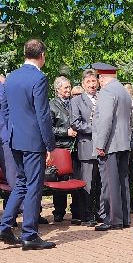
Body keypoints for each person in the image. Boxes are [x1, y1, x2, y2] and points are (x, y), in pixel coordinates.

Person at [0, 39, 56, 250]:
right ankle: (29, 234)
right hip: (32, 140)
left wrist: (12, 130)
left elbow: (4, 109)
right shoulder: (39, 78)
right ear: (42, 55)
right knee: (33, 185)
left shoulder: (11, 77)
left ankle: (4, 227)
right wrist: (50, 145)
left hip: (14, 138)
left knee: (22, 182)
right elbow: (43, 114)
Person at [90, 63, 133, 229]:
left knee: (109, 182)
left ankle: (112, 219)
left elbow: (105, 120)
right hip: (123, 142)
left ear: (102, 77)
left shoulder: (107, 91)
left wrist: (100, 144)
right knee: (122, 180)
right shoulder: (123, 91)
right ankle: (124, 217)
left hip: (110, 144)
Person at [67, 69, 100, 224]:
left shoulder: (103, 97)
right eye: (88, 82)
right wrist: (96, 129)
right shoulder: (76, 101)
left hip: (104, 148)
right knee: (88, 182)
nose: (92, 85)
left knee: (101, 183)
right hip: (87, 146)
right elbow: (75, 122)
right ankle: (86, 214)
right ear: (83, 84)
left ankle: (100, 212)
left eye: (94, 81)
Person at [48, 75, 77, 222]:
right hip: (60, 148)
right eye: (65, 87)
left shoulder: (74, 102)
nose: (68, 90)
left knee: (76, 178)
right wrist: (66, 132)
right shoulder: (51, 105)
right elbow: (48, 128)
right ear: (58, 89)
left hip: (75, 147)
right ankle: (59, 211)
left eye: (69, 87)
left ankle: (77, 210)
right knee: (60, 181)